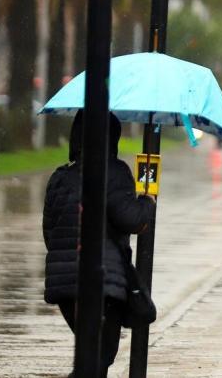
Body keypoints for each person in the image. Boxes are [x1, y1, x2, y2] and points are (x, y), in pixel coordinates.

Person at [42, 111, 156, 377]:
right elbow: (132, 220)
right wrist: (147, 202)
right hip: (104, 282)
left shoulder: (59, 178)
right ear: (112, 138)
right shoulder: (113, 172)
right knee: (100, 356)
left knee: (92, 353)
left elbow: (50, 232)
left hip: (64, 284)